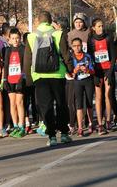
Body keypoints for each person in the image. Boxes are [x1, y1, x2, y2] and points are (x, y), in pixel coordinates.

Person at [23, 11, 74, 147]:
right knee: (61, 104)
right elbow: (65, 54)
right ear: (51, 21)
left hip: (39, 76)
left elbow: (27, 60)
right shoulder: (58, 34)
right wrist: (70, 70)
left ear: (38, 21)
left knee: (46, 106)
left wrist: (28, 79)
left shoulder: (31, 36)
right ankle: (64, 134)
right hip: (57, 75)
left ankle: (51, 136)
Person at [88, 18, 117, 134]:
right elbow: (89, 58)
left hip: (107, 70)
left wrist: (110, 71)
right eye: (98, 26)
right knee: (98, 97)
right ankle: (100, 123)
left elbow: (114, 56)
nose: (101, 28)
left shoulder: (108, 38)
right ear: (93, 28)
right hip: (97, 71)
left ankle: (108, 120)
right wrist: (93, 73)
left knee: (108, 95)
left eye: (102, 26)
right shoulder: (91, 40)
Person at [66, 13, 90, 135]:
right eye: (76, 22)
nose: (78, 24)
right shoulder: (70, 34)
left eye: (80, 22)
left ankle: (86, 121)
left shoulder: (88, 33)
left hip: (86, 66)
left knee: (87, 98)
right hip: (74, 68)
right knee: (73, 99)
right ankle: (73, 122)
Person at [2, 28, 26, 138]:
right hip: (10, 79)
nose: (15, 40)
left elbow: (25, 66)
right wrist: (4, 79)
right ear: (9, 40)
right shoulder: (8, 50)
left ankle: (22, 126)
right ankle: (15, 125)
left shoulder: (23, 49)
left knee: (19, 103)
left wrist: (22, 78)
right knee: (12, 103)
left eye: (17, 38)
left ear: (20, 38)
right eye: (13, 38)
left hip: (20, 79)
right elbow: (6, 66)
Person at [70, 38, 95, 137]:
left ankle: (90, 124)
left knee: (89, 103)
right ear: (72, 47)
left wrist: (87, 70)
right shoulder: (71, 58)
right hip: (77, 82)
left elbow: (93, 70)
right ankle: (80, 127)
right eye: (74, 46)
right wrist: (75, 71)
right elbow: (70, 74)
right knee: (79, 104)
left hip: (88, 81)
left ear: (82, 46)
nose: (77, 48)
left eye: (79, 45)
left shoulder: (87, 56)